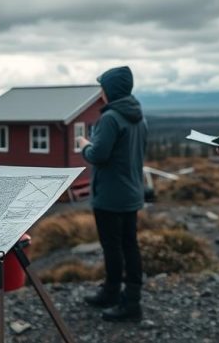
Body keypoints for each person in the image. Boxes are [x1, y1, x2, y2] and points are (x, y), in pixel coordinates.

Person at [76, 65, 148, 322]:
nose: (101, 93)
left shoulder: (110, 118)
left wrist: (85, 146)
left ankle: (114, 295)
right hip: (131, 194)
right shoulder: (138, 116)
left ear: (110, 90)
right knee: (129, 245)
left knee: (112, 247)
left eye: (103, 87)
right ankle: (130, 299)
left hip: (109, 196)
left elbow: (99, 155)